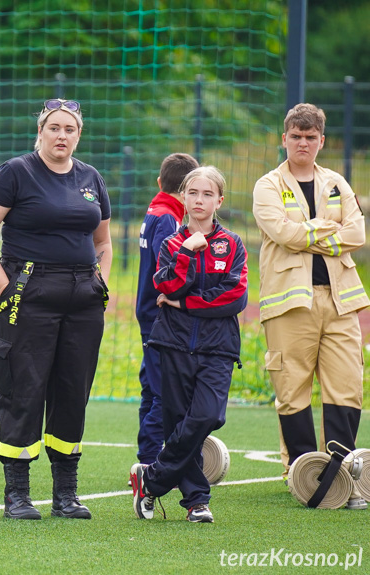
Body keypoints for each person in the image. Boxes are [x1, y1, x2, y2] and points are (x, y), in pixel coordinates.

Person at [0, 99, 112, 520]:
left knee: (72, 392)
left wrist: (99, 280)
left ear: (78, 134)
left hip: (83, 299)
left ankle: (66, 495)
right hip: (28, 295)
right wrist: (6, 289)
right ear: (41, 131)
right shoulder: (16, 173)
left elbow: (102, 241)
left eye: (70, 129)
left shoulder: (91, 178)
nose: (62, 135)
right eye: (54, 128)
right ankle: (17, 495)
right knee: (22, 390)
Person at [252, 104, 368, 508]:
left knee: (347, 386)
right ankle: (302, 474)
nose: (303, 143)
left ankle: (340, 475)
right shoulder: (267, 185)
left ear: (321, 140)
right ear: (284, 139)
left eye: (311, 137)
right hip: (289, 304)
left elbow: (357, 233)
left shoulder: (336, 182)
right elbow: (281, 232)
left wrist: (308, 233)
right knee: (292, 388)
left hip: (340, 301)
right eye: (296, 136)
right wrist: (325, 230)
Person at [130, 166, 248, 524]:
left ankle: (150, 480)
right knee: (178, 422)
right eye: (193, 193)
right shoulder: (170, 243)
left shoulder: (233, 244)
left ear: (219, 201)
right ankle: (197, 500)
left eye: (207, 194)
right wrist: (187, 251)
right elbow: (166, 287)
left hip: (218, 347)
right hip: (174, 345)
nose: (199, 200)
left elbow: (235, 296)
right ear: (183, 196)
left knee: (207, 416)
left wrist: (186, 304)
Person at [135, 153, 199, 465]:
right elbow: (168, 270)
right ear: (187, 189)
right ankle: (149, 461)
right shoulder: (168, 219)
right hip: (161, 317)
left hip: (147, 313)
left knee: (151, 386)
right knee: (164, 392)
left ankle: (147, 455)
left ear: (161, 183)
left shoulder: (154, 211)